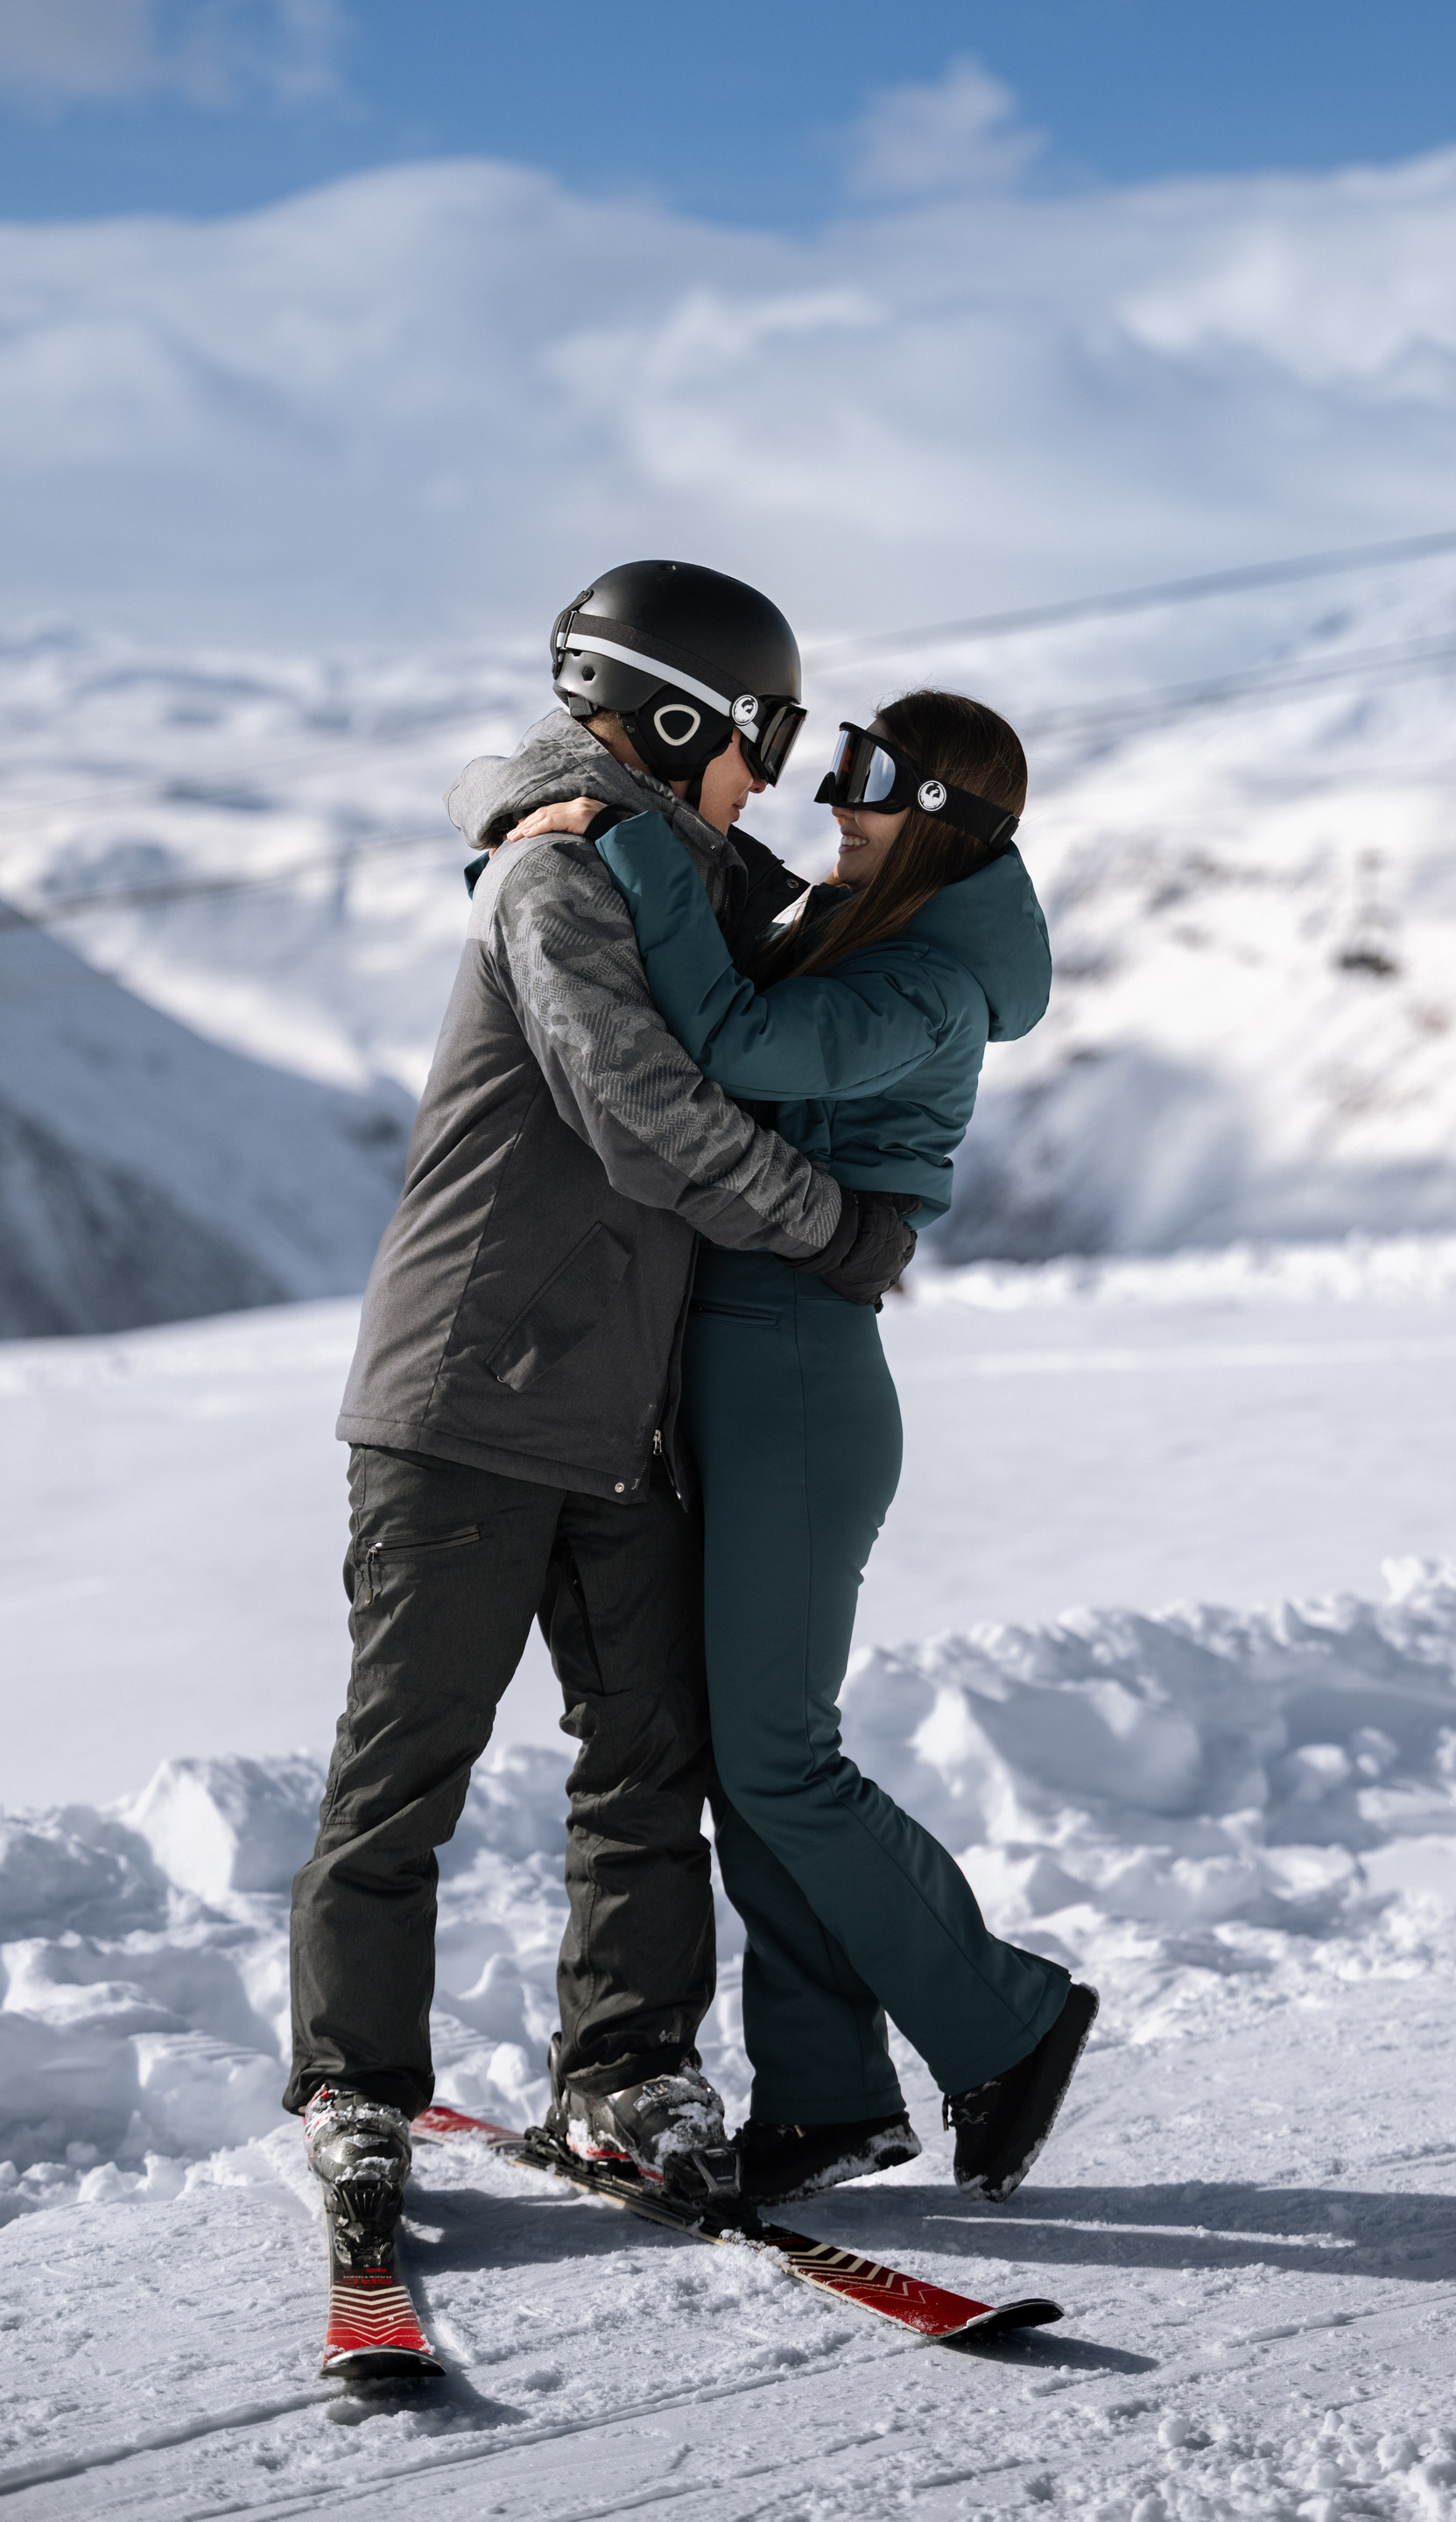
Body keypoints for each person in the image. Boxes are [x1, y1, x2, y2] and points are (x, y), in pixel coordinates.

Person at [286, 563, 918, 2271]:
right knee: (405, 1765)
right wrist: (837, 1230)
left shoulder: (664, 875)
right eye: (761, 733)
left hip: (624, 1418)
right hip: (467, 1400)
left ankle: (627, 2074)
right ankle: (355, 2085)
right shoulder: (557, 876)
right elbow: (640, 1117)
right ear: (678, 718)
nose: (769, 773)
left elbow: (786, 976)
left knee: (650, 1764)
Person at [509, 691, 1097, 2208]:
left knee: (781, 1759)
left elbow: (735, 1041)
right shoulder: (861, 932)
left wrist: (629, 840)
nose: (837, 797)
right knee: (748, 1758)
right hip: (737, 1373)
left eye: (874, 778)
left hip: (794, 1378)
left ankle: (1008, 2015)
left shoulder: (927, 987)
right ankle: (829, 2093)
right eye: (840, 762)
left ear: (946, 820)